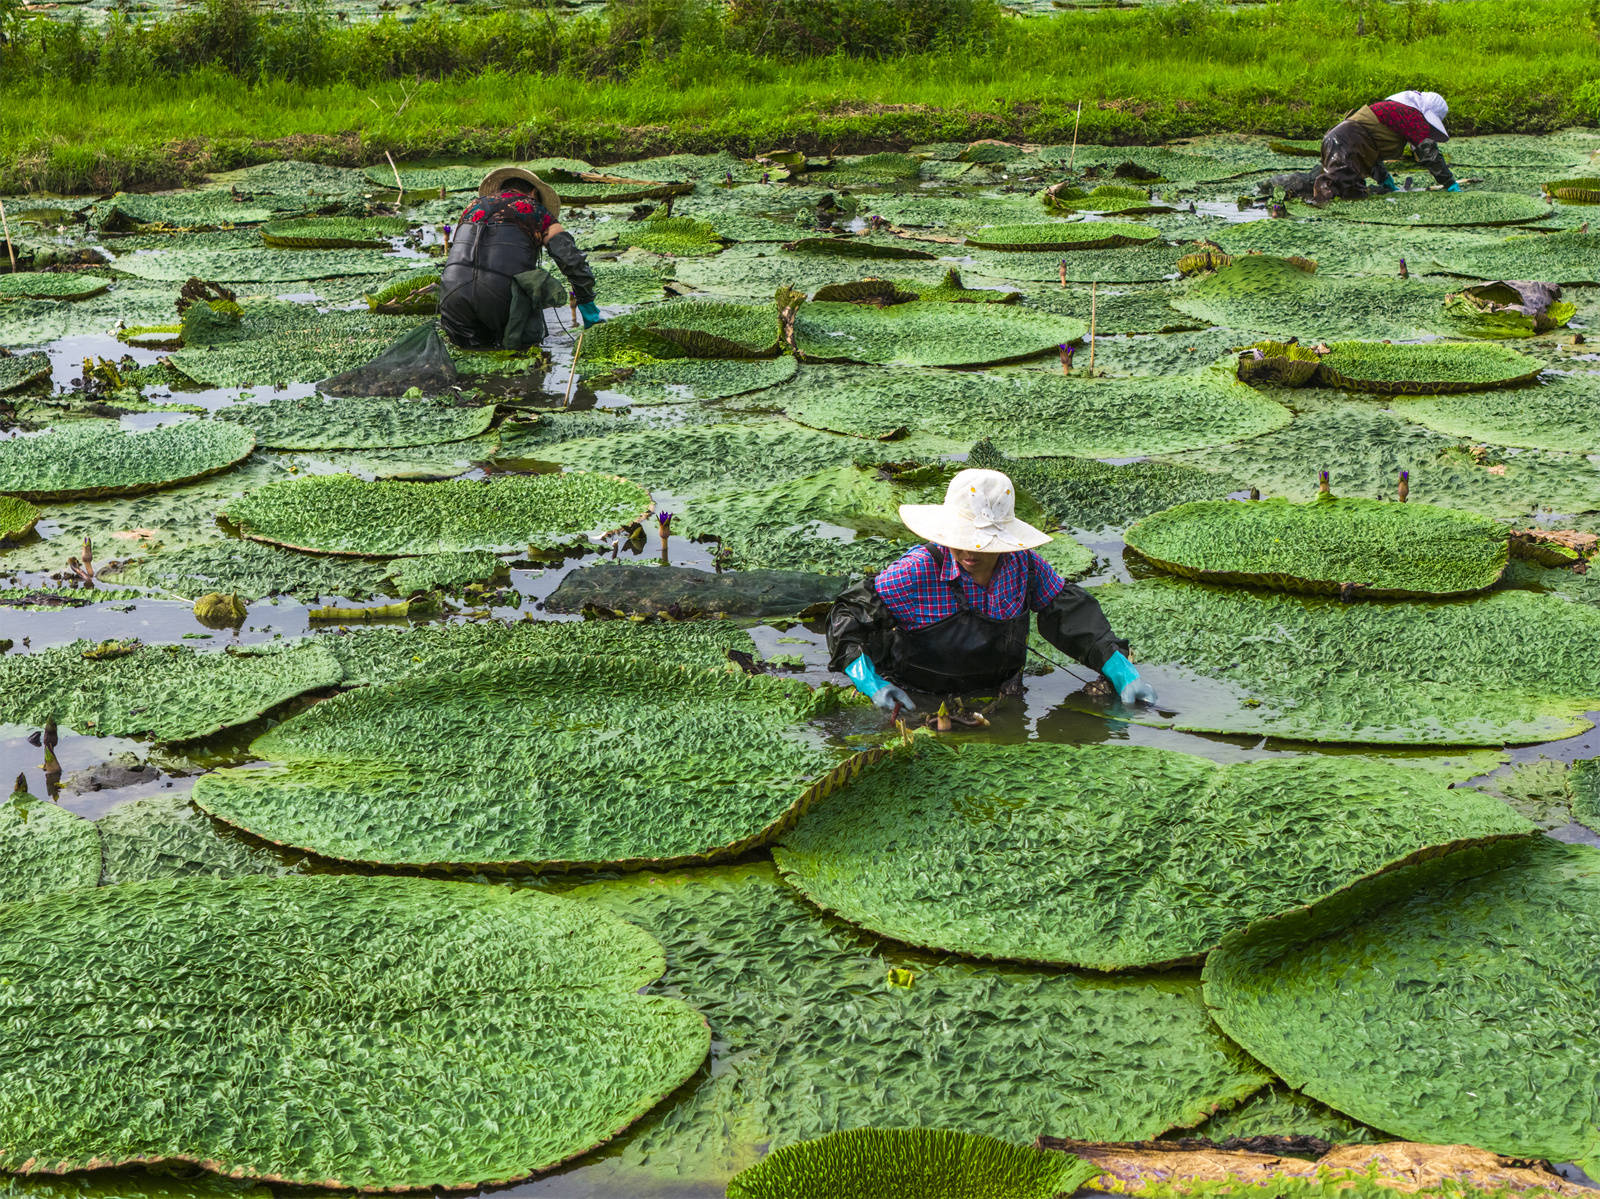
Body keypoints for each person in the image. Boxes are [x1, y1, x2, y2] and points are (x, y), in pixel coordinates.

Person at [826, 468, 1157, 713]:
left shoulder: (1024, 566)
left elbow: (1071, 616)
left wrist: (1123, 672)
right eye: (960, 541)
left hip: (1002, 692)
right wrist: (871, 683)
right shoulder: (917, 570)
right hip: (917, 695)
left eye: (981, 545)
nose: (968, 553)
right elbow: (848, 615)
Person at [439, 167, 603, 350]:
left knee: (471, 360)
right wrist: (586, 302)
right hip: (501, 295)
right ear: (533, 193)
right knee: (526, 358)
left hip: (452, 295)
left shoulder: (471, 208)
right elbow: (571, 260)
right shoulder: (535, 208)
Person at [1310, 90, 1460, 202]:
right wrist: (1449, 182)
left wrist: (1384, 178)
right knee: (1333, 186)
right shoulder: (1413, 116)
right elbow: (1429, 154)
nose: (1426, 129)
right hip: (1344, 144)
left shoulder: (1398, 113)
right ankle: (1315, 212)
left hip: (1341, 142)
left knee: (1353, 194)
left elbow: (1371, 150)